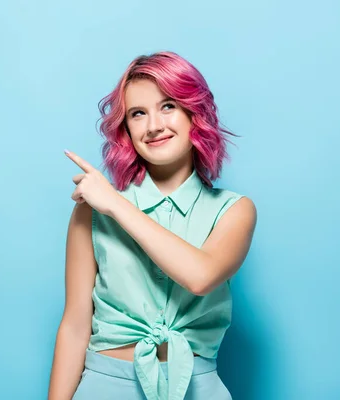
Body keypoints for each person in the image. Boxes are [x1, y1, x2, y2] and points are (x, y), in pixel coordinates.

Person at [47, 51, 257, 400]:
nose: (154, 125)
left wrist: (115, 202)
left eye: (169, 106)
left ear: (195, 113)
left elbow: (200, 276)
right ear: (126, 128)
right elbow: (74, 326)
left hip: (196, 387)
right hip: (104, 387)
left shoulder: (234, 211)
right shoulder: (91, 212)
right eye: (138, 113)